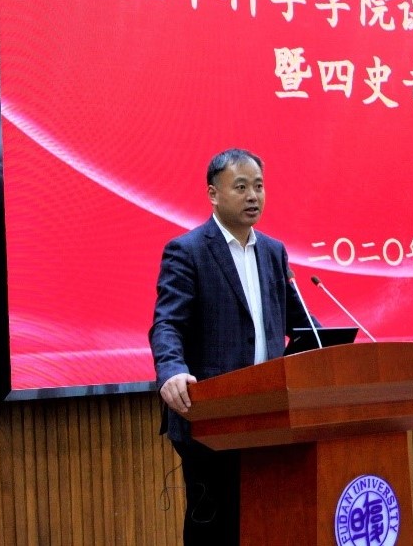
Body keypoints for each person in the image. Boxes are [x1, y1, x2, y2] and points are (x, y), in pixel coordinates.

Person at [150, 148, 312, 544]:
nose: (253, 196)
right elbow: (167, 324)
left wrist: (336, 350)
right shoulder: (187, 251)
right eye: (241, 187)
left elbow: (302, 325)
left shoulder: (273, 252)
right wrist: (171, 371)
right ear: (213, 194)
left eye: (259, 186)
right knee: (216, 527)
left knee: (268, 519)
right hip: (212, 415)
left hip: (269, 413)